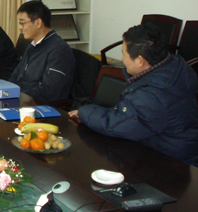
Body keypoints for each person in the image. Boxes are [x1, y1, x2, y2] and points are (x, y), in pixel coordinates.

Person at [69, 24, 198, 166]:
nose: (122, 59)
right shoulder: (174, 65)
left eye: (124, 54)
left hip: (171, 162)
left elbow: (116, 124)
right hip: (181, 147)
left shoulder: (151, 94)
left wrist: (83, 112)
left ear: (140, 61)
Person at [9, 0, 74, 103]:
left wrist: (19, 97)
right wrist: (8, 93)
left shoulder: (59, 50)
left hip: (39, 104)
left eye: (23, 23)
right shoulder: (32, 45)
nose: (20, 27)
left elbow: (49, 90)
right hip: (23, 98)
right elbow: (16, 75)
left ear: (38, 23)